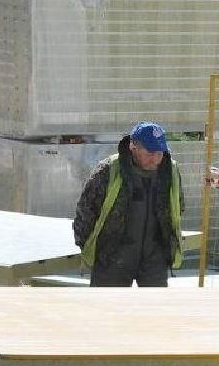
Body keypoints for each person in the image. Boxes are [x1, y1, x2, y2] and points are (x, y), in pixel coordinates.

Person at [72, 121, 188, 287]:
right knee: (106, 309)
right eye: (150, 152)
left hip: (154, 260)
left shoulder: (170, 171)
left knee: (154, 310)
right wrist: (90, 248)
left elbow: (178, 206)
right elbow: (85, 212)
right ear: (133, 147)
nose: (156, 159)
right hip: (112, 258)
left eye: (160, 153)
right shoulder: (109, 170)